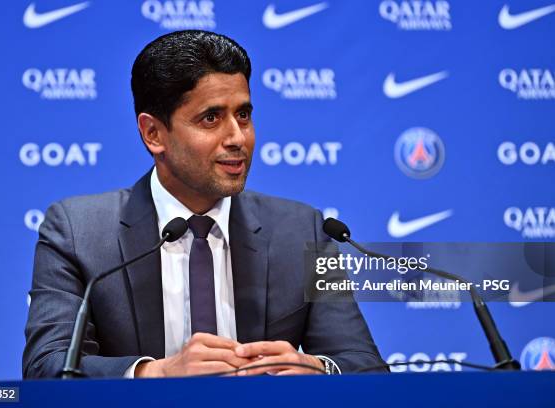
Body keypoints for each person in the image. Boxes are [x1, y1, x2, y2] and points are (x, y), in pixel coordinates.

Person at [23, 30, 386, 378]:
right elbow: (48, 369)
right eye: (211, 118)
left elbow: (366, 366)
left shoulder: (302, 229)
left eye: (243, 114)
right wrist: (157, 372)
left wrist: (319, 369)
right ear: (153, 134)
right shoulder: (78, 232)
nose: (237, 137)